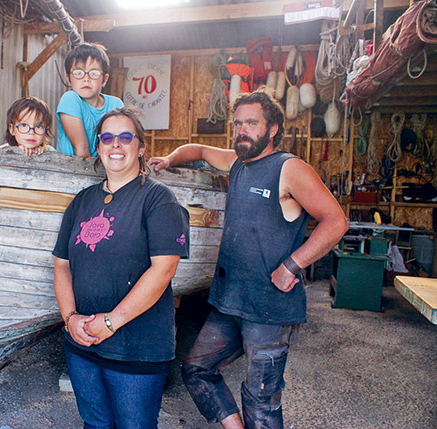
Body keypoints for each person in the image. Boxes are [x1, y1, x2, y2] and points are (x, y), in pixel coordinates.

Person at [148, 89, 348, 429]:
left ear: (271, 129)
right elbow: (196, 149)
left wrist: (293, 264)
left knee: (261, 401)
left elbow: (337, 221)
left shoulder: (289, 168)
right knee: (196, 369)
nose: (242, 130)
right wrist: (168, 160)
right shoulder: (238, 164)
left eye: (251, 123)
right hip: (230, 302)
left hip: (270, 308)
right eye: (238, 123)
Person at [52, 106, 190, 428]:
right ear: (98, 147)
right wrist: (70, 319)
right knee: (95, 424)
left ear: (141, 148)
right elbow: (61, 266)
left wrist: (111, 323)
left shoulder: (159, 199)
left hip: (136, 349)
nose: (116, 144)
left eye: (125, 137)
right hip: (83, 343)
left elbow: (163, 270)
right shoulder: (82, 201)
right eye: (108, 137)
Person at [56, 42, 124, 157]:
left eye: (94, 73)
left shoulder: (115, 105)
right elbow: (82, 150)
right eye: (78, 73)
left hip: (105, 169)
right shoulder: (70, 99)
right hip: (71, 170)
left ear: (104, 79)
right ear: (68, 78)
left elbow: (119, 145)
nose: (86, 79)